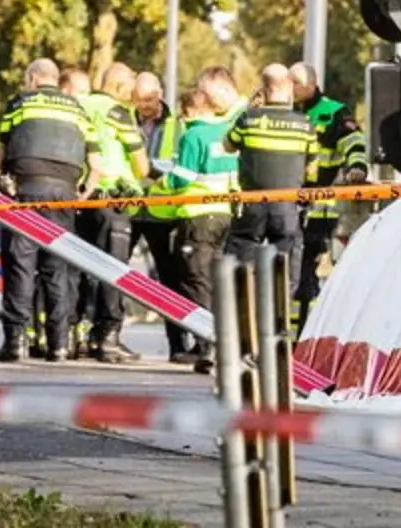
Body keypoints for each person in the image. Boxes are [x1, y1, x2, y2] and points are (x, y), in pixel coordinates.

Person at [0, 58, 102, 363]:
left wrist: (1, 183)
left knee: (21, 265)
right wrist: (83, 194)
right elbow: (97, 166)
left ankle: (16, 342)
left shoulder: (19, 104)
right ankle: (59, 345)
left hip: (26, 191)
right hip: (64, 195)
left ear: (33, 78)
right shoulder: (78, 110)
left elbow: (1, 154)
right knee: (58, 269)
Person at [70, 62, 148, 363]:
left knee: (81, 269)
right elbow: (141, 165)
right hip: (113, 201)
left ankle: (78, 333)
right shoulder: (117, 112)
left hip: (82, 198)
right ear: (118, 86)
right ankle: (108, 338)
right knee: (114, 272)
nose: (132, 93)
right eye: (130, 85)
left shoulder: (80, 104)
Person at [288, 62, 368, 333]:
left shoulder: (333, 112)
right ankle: (293, 334)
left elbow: (354, 143)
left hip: (320, 208)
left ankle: (307, 333)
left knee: (308, 273)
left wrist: (357, 167)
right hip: (287, 203)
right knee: (292, 273)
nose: (290, 88)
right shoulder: (282, 111)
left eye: (295, 83)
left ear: (312, 85)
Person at [165, 86, 238, 371]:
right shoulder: (227, 132)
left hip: (197, 216)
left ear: (190, 110)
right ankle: (216, 340)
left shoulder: (193, 135)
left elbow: (181, 180)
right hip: (224, 215)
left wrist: (164, 179)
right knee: (214, 281)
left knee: (196, 280)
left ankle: (208, 343)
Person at [224, 64, 316, 267]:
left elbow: (227, 145)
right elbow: (312, 168)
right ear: (289, 86)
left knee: (241, 263)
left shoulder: (248, 119)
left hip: (251, 206)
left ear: (264, 88)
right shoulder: (305, 124)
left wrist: (252, 109)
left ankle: (243, 287)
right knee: (284, 265)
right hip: (286, 207)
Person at [131, 74, 190, 356]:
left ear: (161, 94)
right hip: (130, 207)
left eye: (150, 99)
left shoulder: (177, 126)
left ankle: (178, 344)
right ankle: (104, 337)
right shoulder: (125, 119)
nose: (145, 106)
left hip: (162, 212)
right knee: (109, 272)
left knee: (171, 280)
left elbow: (180, 164)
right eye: (139, 100)